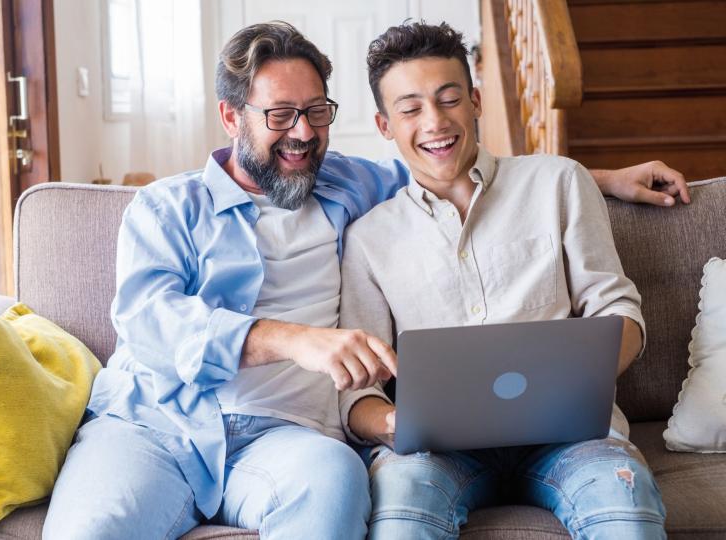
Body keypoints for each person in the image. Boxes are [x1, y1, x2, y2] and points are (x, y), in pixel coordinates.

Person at [43, 21, 686, 540]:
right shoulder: (166, 208)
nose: (302, 132)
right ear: (231, 116)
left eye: (316, 111)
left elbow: (457, 167)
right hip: (156, 427)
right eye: (280, 115)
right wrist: (291, 339)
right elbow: (148, 321)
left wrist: (602, 182)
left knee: (334, 487)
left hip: (286, 438)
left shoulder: (351, 188)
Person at [340, 21, 668, 539]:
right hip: (438, 453)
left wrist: (580, 382)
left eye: (449, 99)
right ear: (385, 126)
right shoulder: (368, 239)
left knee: (623, 503)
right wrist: (390, 423)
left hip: (574, 437)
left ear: (474, 100)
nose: (434, 122)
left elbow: (619, 311)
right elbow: (357, 394)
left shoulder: (558, 182)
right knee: (401, 510)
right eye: (410, 109)